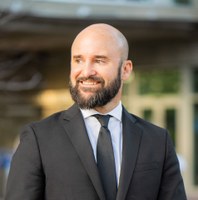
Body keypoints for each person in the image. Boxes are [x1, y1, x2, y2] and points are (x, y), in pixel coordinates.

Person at [5, 23, 187, 200]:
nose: (86, 71)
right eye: (78, 60)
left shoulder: (157, 141)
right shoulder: (38, 138)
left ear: (125, 69)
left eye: (99, 60)